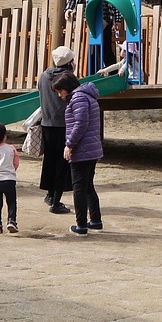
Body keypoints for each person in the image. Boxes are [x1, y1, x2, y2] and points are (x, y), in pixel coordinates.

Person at [55, 70, 105, 234]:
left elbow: (80, 124)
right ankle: (95, 220)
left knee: (79, 188)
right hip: (92, 148)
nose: (60, 95)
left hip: (82, 149)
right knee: (88, 186)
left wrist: (69, 144)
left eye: (60, 91)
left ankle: (81, 225)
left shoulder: (78, 98)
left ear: (67, 87)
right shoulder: (87, 96)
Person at [37, 45, 76, 214]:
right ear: (70, 63)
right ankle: (56, 202)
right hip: (64, 125)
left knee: (50, 161)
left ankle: (50, 194)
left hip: (47, 123)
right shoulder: (68, 78)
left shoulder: (44, 76)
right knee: (62, 163)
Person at [64, 0, 120, 71]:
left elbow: (114, 1)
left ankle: (113, 72)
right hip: (88, 20)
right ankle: (93, 73)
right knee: (91, 49)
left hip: (104, 20)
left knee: (105, 48)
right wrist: (69, 9)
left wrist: (117, 19)